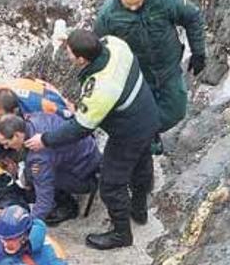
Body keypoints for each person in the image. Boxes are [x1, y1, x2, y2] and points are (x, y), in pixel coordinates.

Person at [26, 30, 160, 250]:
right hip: (147, 113)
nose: (67, 55)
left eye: (69, 52)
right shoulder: (116, 44)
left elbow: (81, 128)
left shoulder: (102, 88)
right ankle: (139, 208)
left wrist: (46, 140)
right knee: (142, 162)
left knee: (110, 184)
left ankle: (121, 234)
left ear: (81, 59)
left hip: (128, 133)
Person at [94, 0, 206, 152]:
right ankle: (147, 141)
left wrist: (199, 52)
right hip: (137, 73)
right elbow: (100, 46)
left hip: (167, 66)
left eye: (138, 3)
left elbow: (192, 17)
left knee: (176, 110)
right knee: (141, 114)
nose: (133, 8)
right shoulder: (108, 14)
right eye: (128, 5)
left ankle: (147, 130)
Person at [0, 113, 101, 226]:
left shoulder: (39, 157)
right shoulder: (34, 119)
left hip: (85, 175)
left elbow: (44, 201)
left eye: (7, 143)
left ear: (16, 135)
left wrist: (28, 225)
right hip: (89, 150)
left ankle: (66, 206)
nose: (5, 148)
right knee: (31, 173)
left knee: (33, 175)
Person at [0, 78, 75, 163]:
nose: (0, 122)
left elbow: (68, 119)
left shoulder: (40, 105)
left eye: (3, 118)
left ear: (14, 111)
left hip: (42, 94)